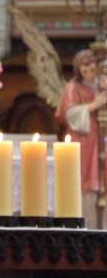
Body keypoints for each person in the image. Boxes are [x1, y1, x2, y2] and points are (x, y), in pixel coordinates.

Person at [55, 49, 107, 228]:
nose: (90, 74)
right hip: (83, 140)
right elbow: (68, 114)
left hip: (102, 139)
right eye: (85, 71)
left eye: (92, 70)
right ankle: (89, 223)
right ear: (79, 71)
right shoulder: (73, 87)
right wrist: (94, 105)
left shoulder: (103, 85)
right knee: (85, 180)